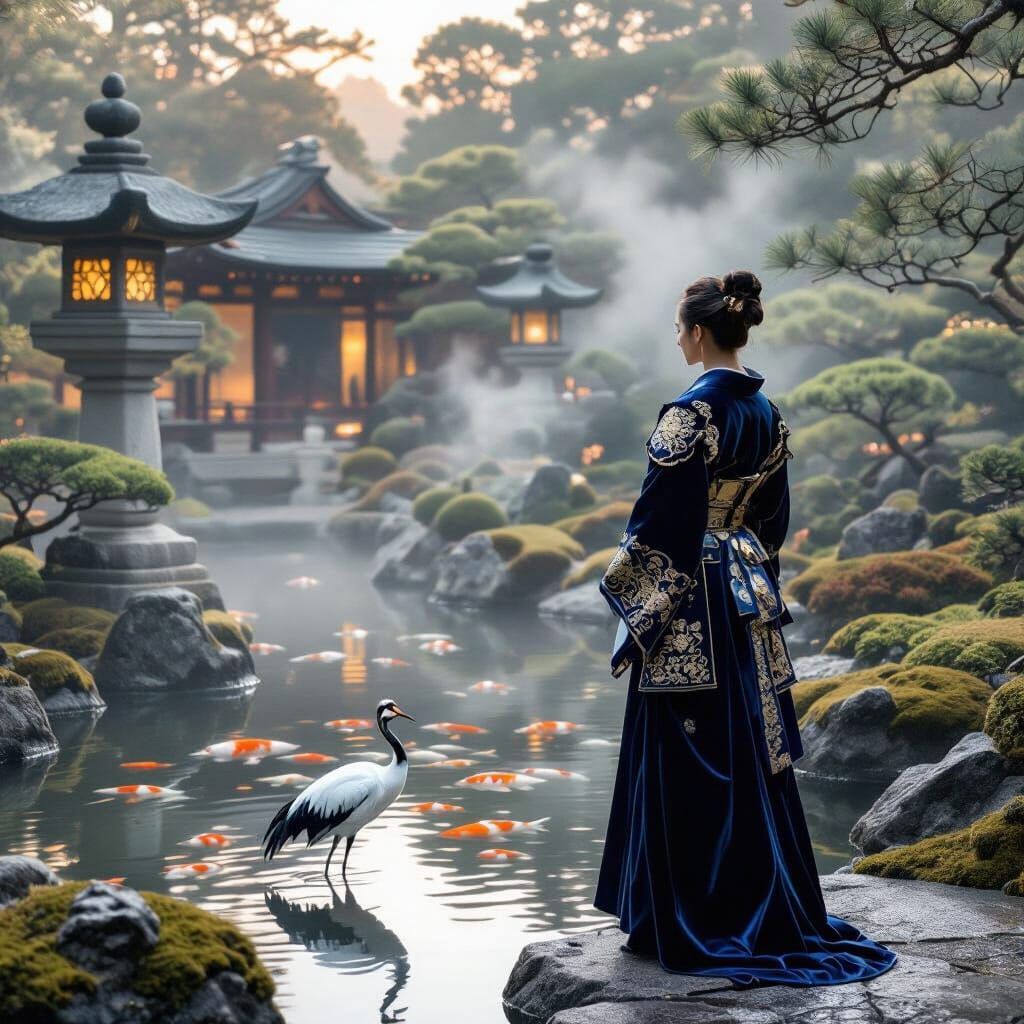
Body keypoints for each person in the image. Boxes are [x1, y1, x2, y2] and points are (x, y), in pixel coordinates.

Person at [592, 270, 898, 988]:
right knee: (752, 746)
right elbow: (771, 524)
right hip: (743, 593)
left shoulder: (687, 415)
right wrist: (746, 567)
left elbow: (659, 529)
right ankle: (761, 902)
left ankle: (693, 914)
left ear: (698, 332)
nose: (676, 338)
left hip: (691, 600)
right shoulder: (768, 413)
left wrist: (630, 599)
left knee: (687, 751)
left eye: (678, 327)